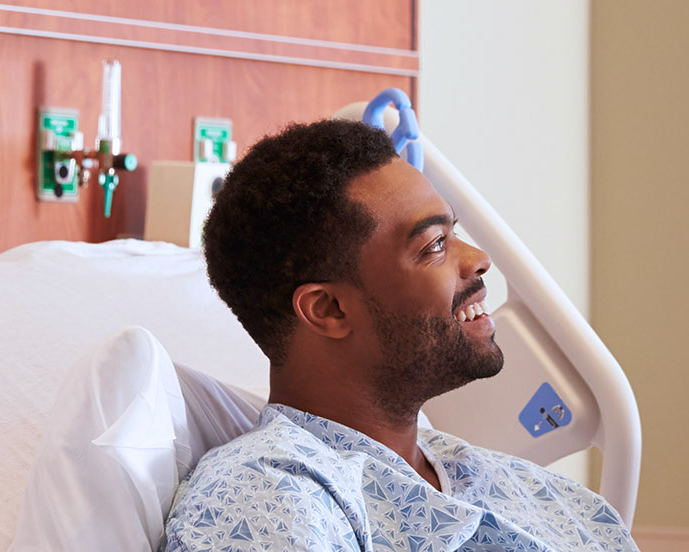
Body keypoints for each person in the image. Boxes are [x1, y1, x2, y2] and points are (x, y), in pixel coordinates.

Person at [162, 119, 636, 552]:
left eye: (455, 232)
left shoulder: (533, 493)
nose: (477, 259)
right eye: (434, 245)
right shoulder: (266, 500)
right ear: (328, 309)